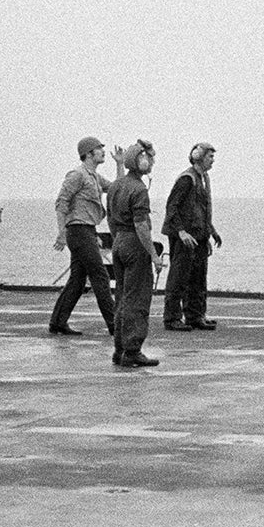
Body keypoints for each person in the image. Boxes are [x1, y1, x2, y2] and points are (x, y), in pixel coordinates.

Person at [49, 137, 115, 337]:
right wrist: (61, 232)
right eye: (99, 149)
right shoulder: (77, 175)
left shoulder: (94, 176)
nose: (103, 151)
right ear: (88, 154)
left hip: (87, 230)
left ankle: (58, 322)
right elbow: (61, 203)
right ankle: (115, 324)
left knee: (77, 280)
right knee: (100, 276)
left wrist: (121, 164)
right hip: (78, 230)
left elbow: (117, 188)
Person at [108, 141, 163, 368]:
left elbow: (110, 218)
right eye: (149, 158)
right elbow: (141, 226)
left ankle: (119, 348)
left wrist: (118, 240)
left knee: (122, 297)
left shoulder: (116, 186)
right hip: (134, 244)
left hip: (118, 241)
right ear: (141, 161)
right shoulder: (139, 189)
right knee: (138, 299)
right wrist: (154, 255)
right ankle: (132, 350)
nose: (151, 162)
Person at [161, 143, 221, 332]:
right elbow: (172, 207)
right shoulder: (187, 179)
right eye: (210, 156)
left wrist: (211, 231)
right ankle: (172, 318)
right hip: (184, 237)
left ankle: (195, 316)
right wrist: (181, 232)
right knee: (178, 277)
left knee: (198, 277)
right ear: (199, 157)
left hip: (199, 236)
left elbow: (202, 208)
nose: (213, 160)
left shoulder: (204, 178)